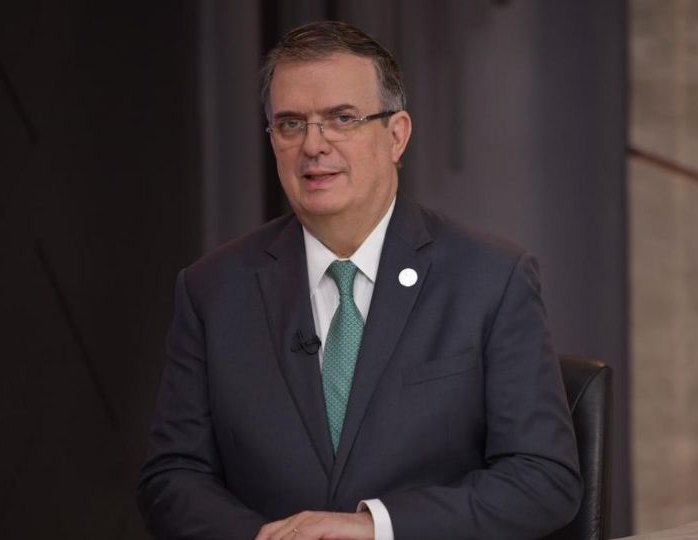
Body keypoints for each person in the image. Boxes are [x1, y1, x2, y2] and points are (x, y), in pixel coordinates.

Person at [137, 20, 581, 540]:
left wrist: (376, 527)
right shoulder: (212, 290)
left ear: (396, 136)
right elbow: (172, 477)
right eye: (290, 124)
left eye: (342, 119)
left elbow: (543, 479)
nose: (313, 145)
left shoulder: (491, 279)